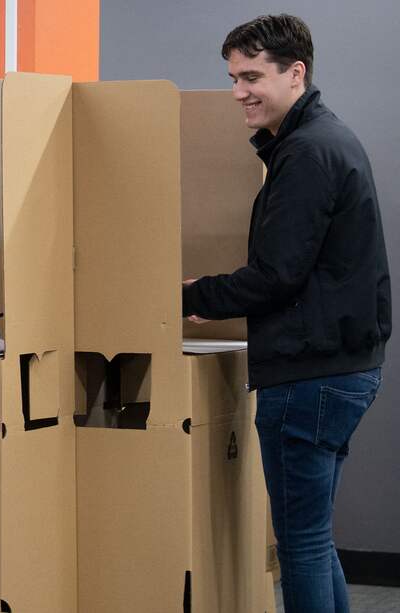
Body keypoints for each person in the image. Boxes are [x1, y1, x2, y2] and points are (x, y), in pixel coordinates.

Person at [182, 14, 391, 613]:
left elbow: (276, 275)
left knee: (299, 544)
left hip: (309, 377)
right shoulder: (324, 139)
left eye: (251, 75)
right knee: (314, 539)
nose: (238, 91)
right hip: (339, 367)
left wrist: (192, 297)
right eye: (232, 77)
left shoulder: (306, 153)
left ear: (295, 73)